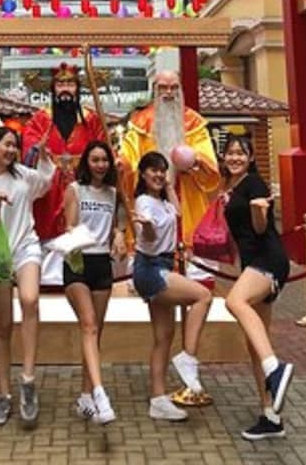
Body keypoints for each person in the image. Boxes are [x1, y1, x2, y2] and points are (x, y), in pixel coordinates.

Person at [0, 126, 54, 428]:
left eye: (14, 145)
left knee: (30, 300)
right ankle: (3, 393)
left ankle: (28, 380)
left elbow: (45, 181)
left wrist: (44, 156)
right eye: (6, 145)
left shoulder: (23, 175)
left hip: (26, 247)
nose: (11, 150)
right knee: (3, 324)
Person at [220, 134, 294, 441]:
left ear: (251, 158)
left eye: (241, 153)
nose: (235, 157)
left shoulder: (254, 184)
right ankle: (271, 416)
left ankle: (275, 369)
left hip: (268, 260)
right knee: (255, 343)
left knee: (234, 302)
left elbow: (261, 228)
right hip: (252, 264)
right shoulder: (232, 187)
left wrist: (257, 209)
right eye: (230, 152)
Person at [132, 151, 213, 422]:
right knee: (203, 296)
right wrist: (147, 228)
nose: (158, 174)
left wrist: (168, 185)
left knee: (164, 336)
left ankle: (158, 399)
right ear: (142, 174)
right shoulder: (143, 202)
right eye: (153, 170)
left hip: (163, 265)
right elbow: (149, 236)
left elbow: (177, 212)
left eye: (162, 170)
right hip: (151, 267)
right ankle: (188, 357)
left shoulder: (164, 202)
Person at [62, 139, 125, 425]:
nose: (100, 165)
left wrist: (120, 234)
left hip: (102, 263)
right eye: (95, 159)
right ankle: (101, 394)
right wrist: (75, 233)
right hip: (77, 261)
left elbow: (119, 223)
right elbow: (70, 224)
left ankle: (85, 396)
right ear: (87, 162)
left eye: (104, 160)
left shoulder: (114, 193)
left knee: (94, 333)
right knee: (88, 325)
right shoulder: (76, 189)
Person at [120, 70, 219, 246]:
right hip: (151, 194)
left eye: (174, 87)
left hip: (187, 193)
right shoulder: (140, 122)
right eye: (163, 88)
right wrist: (122, 163)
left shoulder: (193, 122)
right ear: (154, 90)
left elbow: (208, 159)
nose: (169, 92)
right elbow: (130, 156)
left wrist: (195, 159)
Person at [22, 63, 106, 243]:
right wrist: (39, 151)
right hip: (49, 189)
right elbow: (28, 148)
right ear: (53, 89)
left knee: (83, 238)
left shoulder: (92, 119)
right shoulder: (39, 119)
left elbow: (103, 149)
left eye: (70, 84)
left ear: (77, 89)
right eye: (60, 85)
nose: (65, 89)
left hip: (82, 184)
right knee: (48, 243)